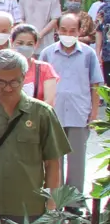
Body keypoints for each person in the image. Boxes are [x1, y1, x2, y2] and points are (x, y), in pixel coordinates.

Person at [0, 50, 70, 224]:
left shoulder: (42, 113)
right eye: (0, 82)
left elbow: (53, 164)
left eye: (14, 81)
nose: (8, 88)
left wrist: (52, 208)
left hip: (30, 209)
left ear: (24, 77)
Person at [37, 11, 102, 196]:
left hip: (79, 112)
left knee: (77, 160)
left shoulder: (88, 54)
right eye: (64, 30)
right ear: (57, 30)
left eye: (72, 30)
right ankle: (55, 200)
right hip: (53, 113)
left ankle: (74, 201)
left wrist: (94, 112)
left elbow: (95, 84)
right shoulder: (47, 53)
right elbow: (39, 82)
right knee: (53, 159)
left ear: (79, 31)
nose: (68, 34)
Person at [11, 23, 59, 106]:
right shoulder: (4, 68)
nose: (25, 47)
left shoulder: (45, 69)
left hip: (37, 117)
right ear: (12, 42)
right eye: (20, 43)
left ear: (36, 45)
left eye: (30, 44)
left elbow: (49, 102)